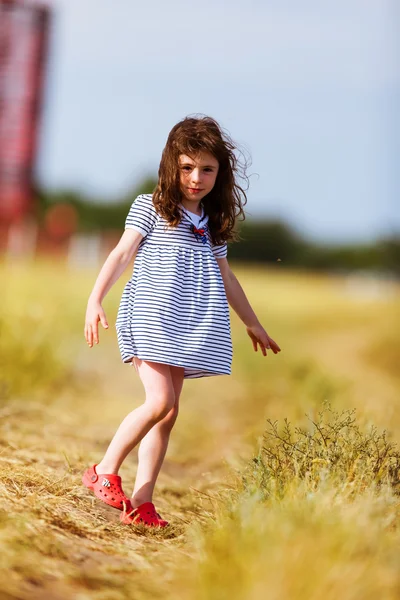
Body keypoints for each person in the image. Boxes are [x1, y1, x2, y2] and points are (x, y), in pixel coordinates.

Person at [82, 115, 281, 527]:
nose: (196, 178)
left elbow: (227, 278)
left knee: (168, 415)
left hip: (186, 325)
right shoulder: (152, 207)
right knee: (159, 402)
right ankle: (103, 470)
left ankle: (143, 501)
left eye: (207, 169)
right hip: (151, 318)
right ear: (171, 165)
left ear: (219, 173)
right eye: (187, 167)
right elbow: (121, 254)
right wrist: (95, 298)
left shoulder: (212, 223)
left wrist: (252, 322)